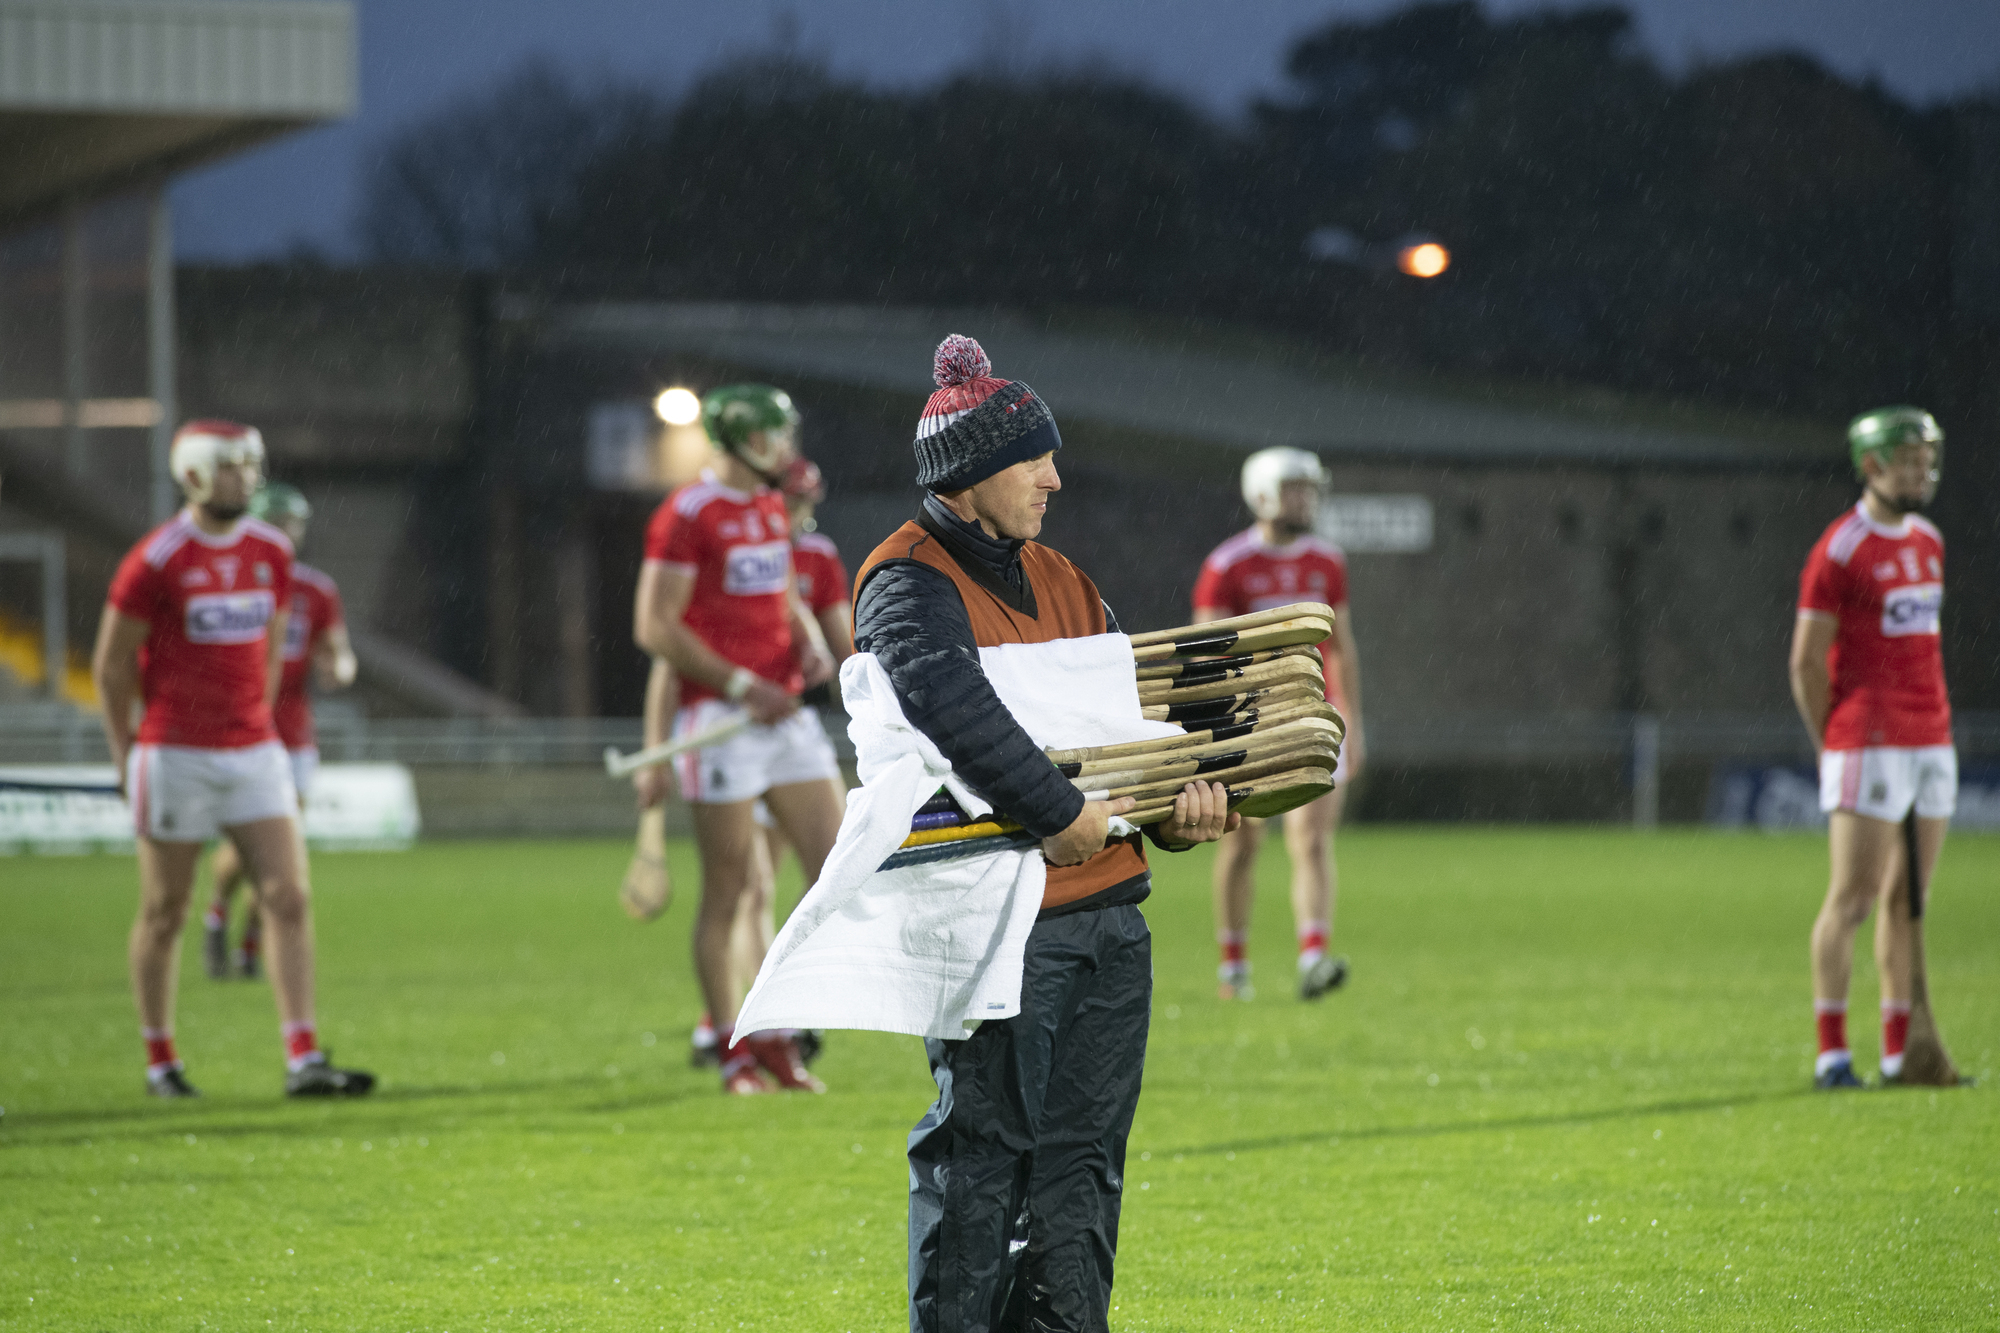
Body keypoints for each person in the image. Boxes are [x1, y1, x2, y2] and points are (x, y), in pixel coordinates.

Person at [855, 334, 1237, 1332]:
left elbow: (1119, 730)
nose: (1054, 479)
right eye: (1034, 461)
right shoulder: (903, 582)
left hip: (1109, 922)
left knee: (1080, 1167)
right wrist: (1062, 817)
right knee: (982, 1163)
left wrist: (1176, 809)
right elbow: (952, 707)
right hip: (997, 919)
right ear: (972, 472)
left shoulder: (1064, 577)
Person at [91, 420, 374, 1099]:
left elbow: (269, 652)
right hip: (175, 751)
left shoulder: (271, 552)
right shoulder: (156, 559)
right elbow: (109, 667)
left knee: (289, 894)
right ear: (191, 475)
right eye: (229, 466)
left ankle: (303, 1054)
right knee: (165, 909)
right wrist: (125, 754)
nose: (245, 478)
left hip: (252, 749)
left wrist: (258, 726)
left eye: (250, 464)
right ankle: (162, 1060)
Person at [631, 385, 845, 1095]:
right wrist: (737, 685)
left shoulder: (764, 506)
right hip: (721, 724)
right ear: (744, 437)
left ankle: (778, 1025)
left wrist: (809, 640)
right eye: (776, 435)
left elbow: (780, 592)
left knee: (836, 869)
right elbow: (656, 626)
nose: (786, 447)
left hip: (783, 717)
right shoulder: (687, 513)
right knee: (732, 889)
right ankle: (734, 1047)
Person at [1790, 406, 1952, 1091]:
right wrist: (1834, 741)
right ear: (1873, 464)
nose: (1923, 469)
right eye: (1910, 458)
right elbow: (1805, 661)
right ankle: (1832, 1053)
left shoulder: (1930, 541)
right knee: (1852, 897)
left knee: (1908, 900)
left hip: (1930, 735)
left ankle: (1901, 1053)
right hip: (1868, 738)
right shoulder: (1841, 548)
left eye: (1927, 457)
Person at [1192, 446, 1364, 1001]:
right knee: (1243, 843)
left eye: (1310, 489)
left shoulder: (1328, 562)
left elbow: (1341, 646)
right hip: (1254, 719)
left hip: (1317, 715)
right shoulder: (1228, 567)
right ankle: (1233, 966)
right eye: (1294, 489)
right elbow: (1207, 656)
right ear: (1263, 493)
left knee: (1312, 839)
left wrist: (1352, 721)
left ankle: (1314, 956)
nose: (1306, 499)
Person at [203, 484, 356, 981]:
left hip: (293, 737)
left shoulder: (316, 589)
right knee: (245, 854)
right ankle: (216, 914)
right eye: (279, 522)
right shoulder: (232, 581)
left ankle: (251, 944)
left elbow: (337, 647)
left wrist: (340, 667)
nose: (289, 533)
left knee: (281, 854)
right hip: (240, 732)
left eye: (294, 524)